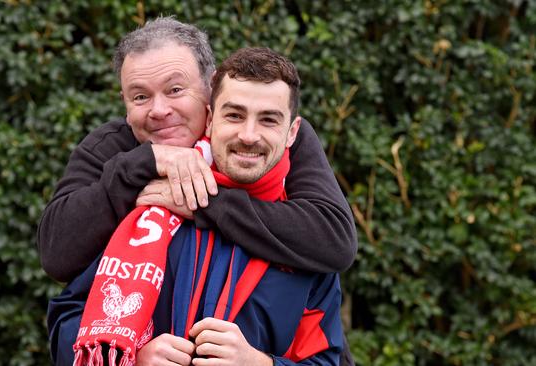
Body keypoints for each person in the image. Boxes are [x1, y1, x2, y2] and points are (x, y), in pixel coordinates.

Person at [40, 17, 357, 365]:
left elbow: (336, 244)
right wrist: (131, 356)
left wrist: (203, 203)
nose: (160, 111)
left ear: (209, 92)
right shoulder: (126, 184)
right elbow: (63, 278)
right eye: (140, 96)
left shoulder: (283, 162)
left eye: (175, 90)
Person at [137, 46, 344, 366]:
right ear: (208, 120)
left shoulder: (311, 241)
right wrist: (132, 356)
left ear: (292, 133)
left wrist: (260, 363)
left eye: (268, 120)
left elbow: (327, 360)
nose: (249, 135)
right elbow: (70, 320)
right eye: (234, 115)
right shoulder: (153, 205)